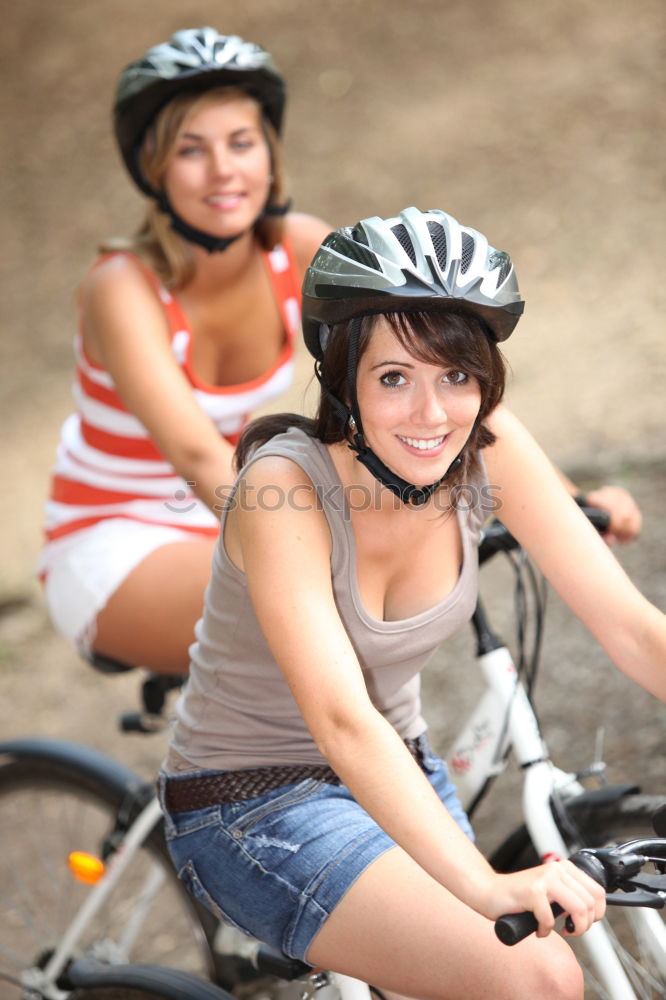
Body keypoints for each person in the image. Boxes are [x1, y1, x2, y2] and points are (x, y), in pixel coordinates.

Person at [158, 207, 666, 1000]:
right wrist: (488, 885)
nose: (432, 414)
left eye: (456, 375)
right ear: (345, 379)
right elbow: (340, 717)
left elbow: (636, 633)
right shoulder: (281, 487)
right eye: (394, 377)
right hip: (250, 803)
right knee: (537, 978)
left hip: (400, 767)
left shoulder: (481, 442)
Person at [37, 28, 330, 673]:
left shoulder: (299, 249)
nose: (224, 170)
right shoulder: (123, 286)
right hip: (115, 538)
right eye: (191, 150)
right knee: (316, 625)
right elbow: (197, 451)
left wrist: (561, 501)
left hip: (222, 517)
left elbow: (432, 357)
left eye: (241, 143)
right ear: (154, 168)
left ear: (270, 156)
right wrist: (310, 544)